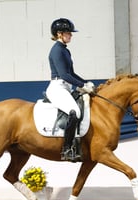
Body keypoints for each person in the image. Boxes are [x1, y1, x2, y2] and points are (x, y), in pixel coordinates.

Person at [45, 18, 95, 161]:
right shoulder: (57, 50)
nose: (71, 35)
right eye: (68, 33)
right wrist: (82, 86)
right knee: (75, 112)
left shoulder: (65, 50)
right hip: (57, 87)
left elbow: (71, 73)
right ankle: (67, 148)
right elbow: (64, 75)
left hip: (66, 86)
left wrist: (86, 82)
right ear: (59, 34)